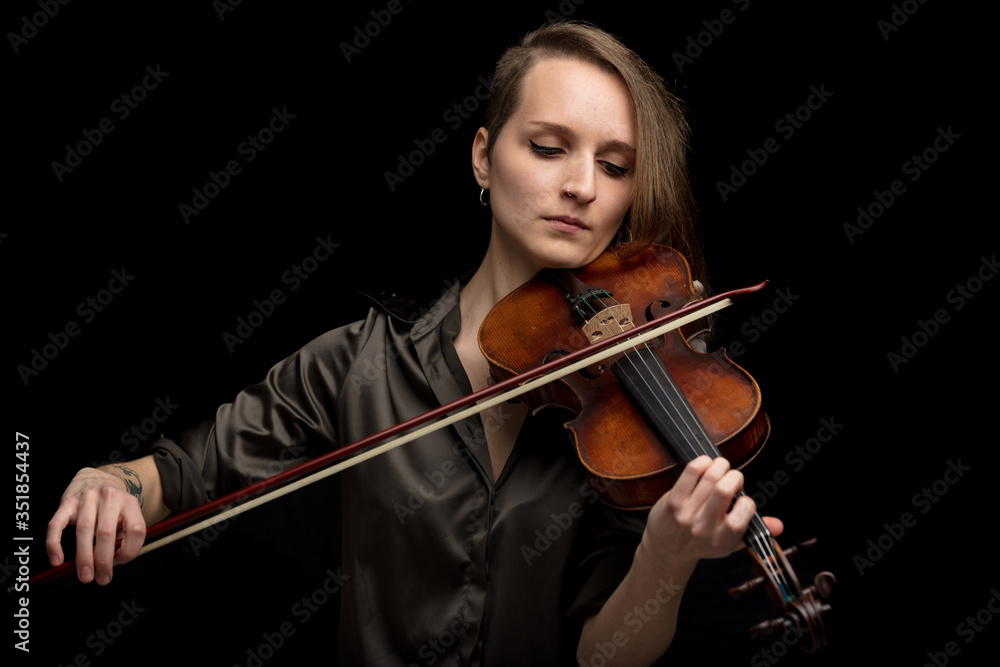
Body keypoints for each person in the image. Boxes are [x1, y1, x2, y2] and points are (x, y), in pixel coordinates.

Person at [46, 20, 782, 665]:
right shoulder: (356, 363)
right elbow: (178, 472)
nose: (583, 185)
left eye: (615, 165)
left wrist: (665, 558)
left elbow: (603, 652)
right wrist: (111, 482)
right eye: (550, 147)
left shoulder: (631, 402)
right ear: (484, 158)